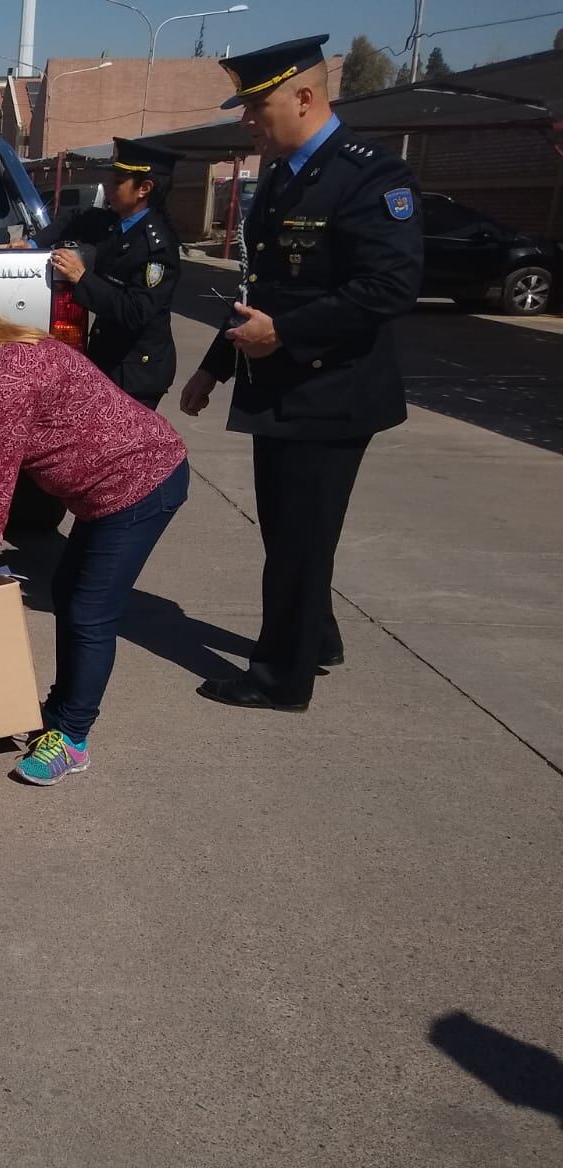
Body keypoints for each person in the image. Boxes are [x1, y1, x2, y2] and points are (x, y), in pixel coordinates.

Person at [179, 36, 424, 712]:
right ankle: (316, 637)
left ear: (306, 98)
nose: (247, 121)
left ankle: (278, 677)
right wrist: (214, 366)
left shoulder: (371, 176)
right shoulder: (284, 176)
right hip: (280, 386)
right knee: (289, 532)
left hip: (333, 390)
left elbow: (390, 287)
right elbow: (267, 290)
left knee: (299, 536)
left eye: (257, 107)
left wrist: (284, 333)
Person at [0, 290, 189, 787]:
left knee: (89, 612)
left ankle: (73, 739)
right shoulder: (15, 350)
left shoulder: (9, 375)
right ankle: (61, 710)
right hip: (109, 489)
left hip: (139, 484)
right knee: (68, 593)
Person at [40, 139, 183, 411]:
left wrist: (82, 278)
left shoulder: (157, 247)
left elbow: (135, 311)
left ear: (144, 189)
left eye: (118, 181)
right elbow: (75, 219)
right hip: (110, 361)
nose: (108, 184)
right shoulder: (116, 223)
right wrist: (34, 244)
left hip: (137, 372)